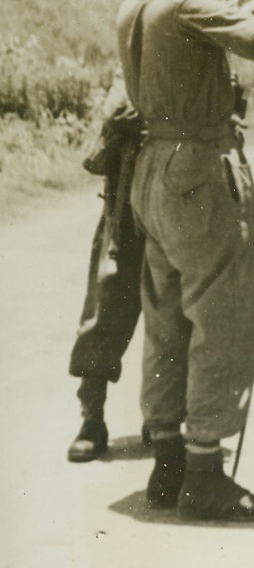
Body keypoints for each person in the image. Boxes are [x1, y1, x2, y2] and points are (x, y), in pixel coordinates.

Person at [117, 0, 254, 522]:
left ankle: (168, 464)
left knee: (167, 317)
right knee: (221, 315)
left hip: (153, 168)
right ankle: (204, 474)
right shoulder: (191, 5)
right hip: (198, 166)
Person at [66, 78, 146, 462]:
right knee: (107, 306)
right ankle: (92, 417)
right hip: (127, 207)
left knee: (179, 315)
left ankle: (166, 419)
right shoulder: (134, 61)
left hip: (183, 206)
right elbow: (118, 109)